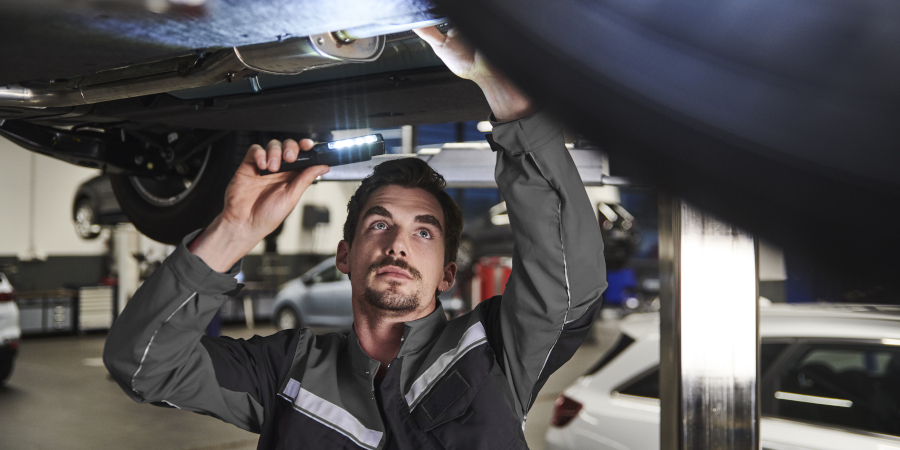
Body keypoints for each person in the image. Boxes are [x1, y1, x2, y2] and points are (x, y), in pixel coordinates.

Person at [103, 26, 606, 450]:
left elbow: (569, 282)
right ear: (344, 254)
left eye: (424, 231)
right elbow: (143, 365)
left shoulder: (492, 352)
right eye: (379, 224)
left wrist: (510, 102)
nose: (398, 245)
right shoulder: (286, 372)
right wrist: (234, 229)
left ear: (448, 272)